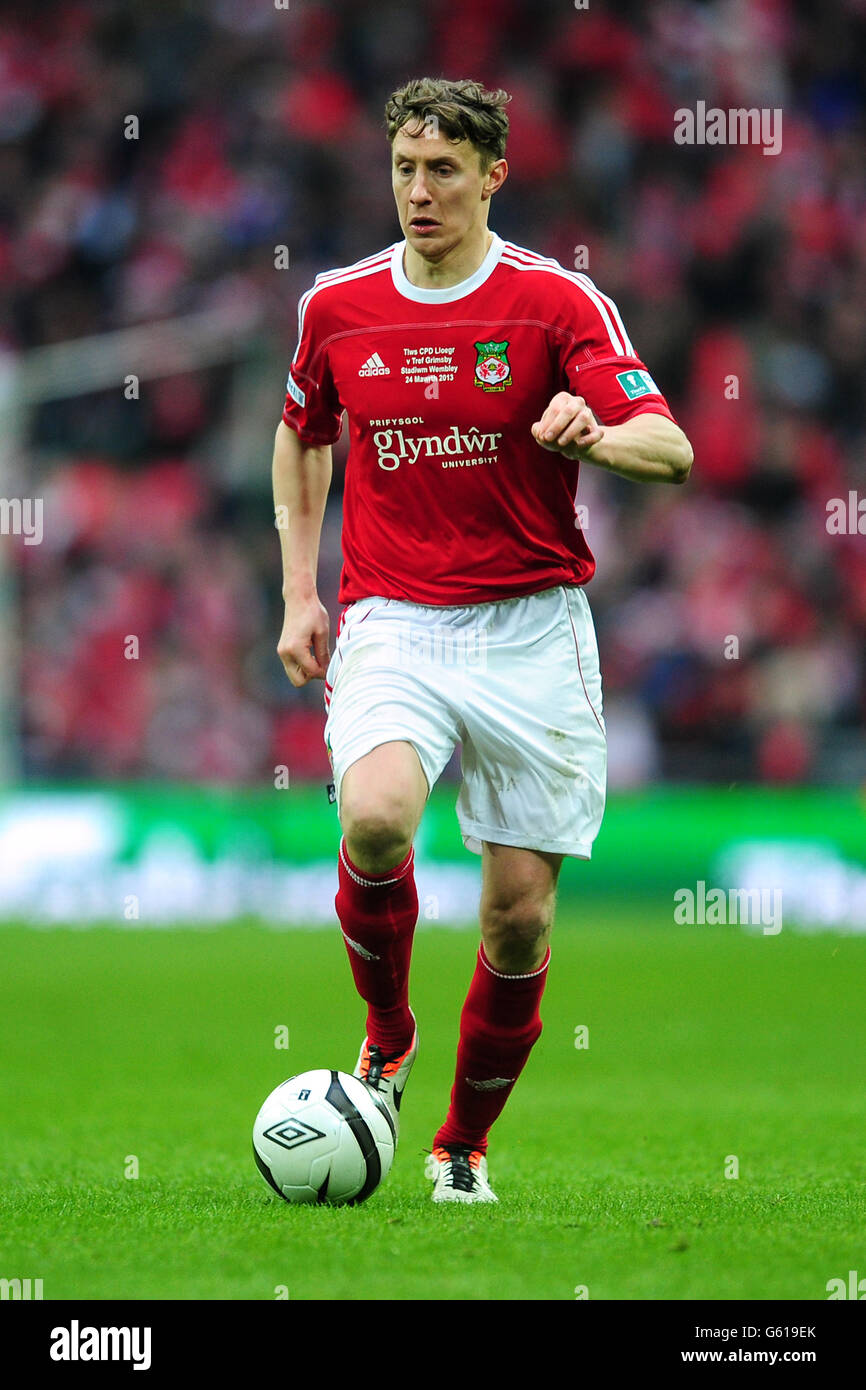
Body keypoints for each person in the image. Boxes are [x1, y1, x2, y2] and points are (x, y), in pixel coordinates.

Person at [273, 77, 693, 1204]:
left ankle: (460, 1144)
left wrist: (598, 436)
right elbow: (303, 436)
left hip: (528, 629)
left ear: (492, 174)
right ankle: (387, 1032)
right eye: (404, 169)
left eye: (443, 170)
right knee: (372, 818)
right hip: (394, 619)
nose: (418, 191)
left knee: (516, 916)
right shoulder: (336, 306)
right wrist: (296, 593)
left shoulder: (557, 304)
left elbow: (672, 446)